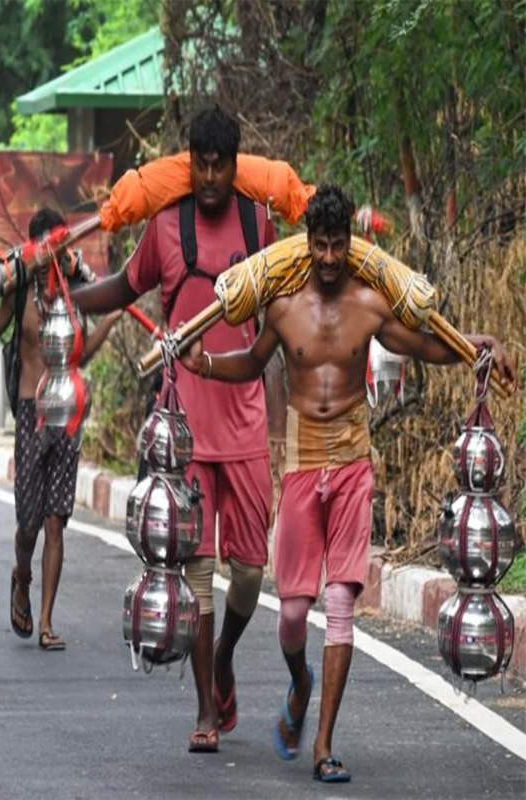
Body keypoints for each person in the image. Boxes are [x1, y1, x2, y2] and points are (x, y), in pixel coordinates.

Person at [182, 183, 517, 782]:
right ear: (307, 244)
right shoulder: (283, 305)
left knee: (340, 604)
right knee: (290, 614)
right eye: (322, 246)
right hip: (304, 466)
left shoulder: (369, 303)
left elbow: (422, 344)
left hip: (354, 462)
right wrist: (206, 364)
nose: (331, 258)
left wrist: (474, 348)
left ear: (350, 245)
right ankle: (300, 680)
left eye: (340, 246)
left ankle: (325, 745)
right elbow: (254, 363)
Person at [71, 105, 275, 752]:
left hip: (245, 423)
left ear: (235, 165)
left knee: (247, 572)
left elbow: (284, 306)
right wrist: (61, 293)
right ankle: (206, 713)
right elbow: (123, 288)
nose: (211, 176)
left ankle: (223, 658)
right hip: (182, 430)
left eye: (221, 165)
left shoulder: (257, 221)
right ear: (190, 162)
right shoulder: (164, 225)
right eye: (202, 164)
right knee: (195, 575)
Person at [0, 208, 121, 651]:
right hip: (31, 411)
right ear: (31, 250)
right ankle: (22, 576)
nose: (52, 255)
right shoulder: (21, 285)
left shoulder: (74, 289)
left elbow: (80, 357)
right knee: (29, 521)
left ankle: (47, 620)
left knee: (55, 521)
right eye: (44, 248)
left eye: (59, 245)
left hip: (67, 413)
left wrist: (108, 319)